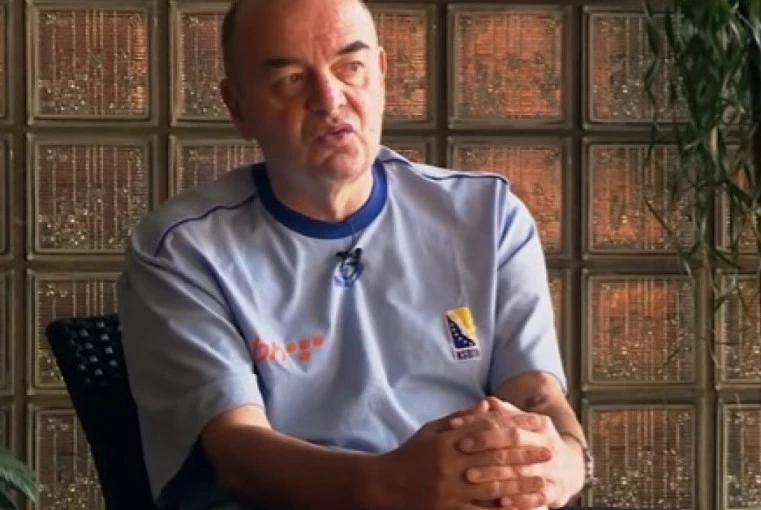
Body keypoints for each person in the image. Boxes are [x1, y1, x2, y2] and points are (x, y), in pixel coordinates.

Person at [116, 0, 593, 508]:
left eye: (351, 67)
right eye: (291, 80)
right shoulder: (183, 250)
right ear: (238, 108)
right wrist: (392, 484)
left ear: (381, 75)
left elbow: (534, 392)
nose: (330, 99)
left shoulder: (487, 215)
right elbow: (237, 452)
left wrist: (565, 462)